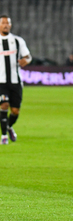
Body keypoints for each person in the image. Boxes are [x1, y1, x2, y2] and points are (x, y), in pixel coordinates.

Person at [0, 15, 32, 145]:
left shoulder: (18, 41)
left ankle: (8, 126)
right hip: (1, 81)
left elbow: (28, 56)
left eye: (8, 23)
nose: (6, 25)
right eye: (3, 23)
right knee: (4, 104)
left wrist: (26, 60)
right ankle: (4, 137)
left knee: (15, 111)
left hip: (16, 81)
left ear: (11, 25)